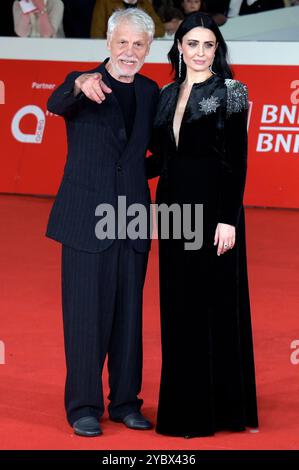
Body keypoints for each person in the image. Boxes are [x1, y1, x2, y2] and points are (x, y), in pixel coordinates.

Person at [46, 8, 159, 437]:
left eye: (139, 44)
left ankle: (127, 402)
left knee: (129, 317)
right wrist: (78, 84)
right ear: (109, 43)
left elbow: (156, 153)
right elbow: (54, 103)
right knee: (84, 317)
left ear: (149, 49)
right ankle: (83, 406)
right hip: (83, 218)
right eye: (123, 42)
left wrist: (133, 175)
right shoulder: (82, 81)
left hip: (131, 218)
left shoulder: (151, 91)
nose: (130, 52)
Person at [146, 12, 259, 437]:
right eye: (191, 43)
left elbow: (237, 161)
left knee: (212, 305)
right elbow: (161, 159)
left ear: (217, 49)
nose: (198, 52)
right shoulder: (165, 92)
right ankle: (182, 406)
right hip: (173, 212)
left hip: (214, 215)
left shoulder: (231, 91)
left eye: (207, 44)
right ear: (178, 47)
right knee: (178, 306)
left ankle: (220, 409)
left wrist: (228, 220)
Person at [91, 0, 165, 38]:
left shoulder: (145, 4)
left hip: (137, 49)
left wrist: (139, 30)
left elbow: (160, 30)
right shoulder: (105, 2)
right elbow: (97, 33)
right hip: (111, 50)